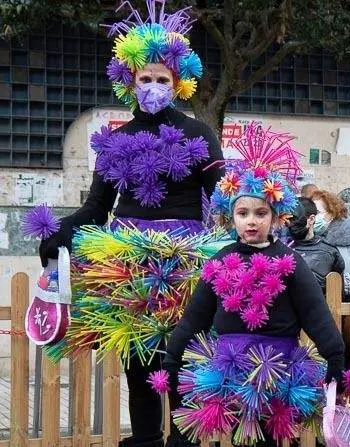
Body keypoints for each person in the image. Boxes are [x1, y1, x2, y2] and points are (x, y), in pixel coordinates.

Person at [37, 2, 224, 446]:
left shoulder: (199, 132)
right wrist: (60, 231)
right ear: (130, 81)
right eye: (146, 78)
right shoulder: (116, 139)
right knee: (137, 362)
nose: (155, 86)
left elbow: (226, 192)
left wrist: (265, 208)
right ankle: (143, 441)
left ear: (177, 82)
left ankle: (183, 440)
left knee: (183, 355)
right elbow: (96, 209)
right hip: (126, 262)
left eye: (163, 79)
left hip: (183, 259)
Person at [162, 125, 346, 446]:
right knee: (239, 439)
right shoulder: (219, 260)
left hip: (277, 372)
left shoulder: (291, 261)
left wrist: (335, 356)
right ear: (230, 217)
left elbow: (315, 314)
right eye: (243, 213)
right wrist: (173, 355)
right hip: (230, 372)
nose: (251, 221)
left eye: (261, 213)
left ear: (275, 218)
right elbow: (196, 316)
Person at [288, 197, 345, 292]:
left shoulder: (330, 251)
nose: (291, 223)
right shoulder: (282, 248)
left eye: (295, 219)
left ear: (311, 219)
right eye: (289, 219)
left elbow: (338, 291)